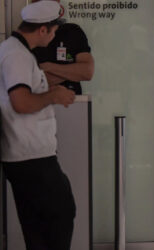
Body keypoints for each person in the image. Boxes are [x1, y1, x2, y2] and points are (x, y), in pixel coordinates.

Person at [0, 1, 76, 249]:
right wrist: (54, 95)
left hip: (27, 156)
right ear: (42, 30)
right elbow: (20, 101)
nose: (54, 36)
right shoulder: (16, 55)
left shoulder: (13, 51)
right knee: (58, 219)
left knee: (39, 227)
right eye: (53, 30)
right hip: (30, 157)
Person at [32, 0, 94, 95]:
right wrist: (73, 72)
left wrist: (49, 67)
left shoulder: (72, 31)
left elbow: (87, 72)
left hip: (73, 104)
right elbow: (36, 83)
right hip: (40, 105)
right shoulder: (30, 37)